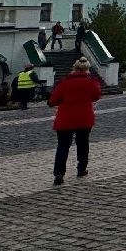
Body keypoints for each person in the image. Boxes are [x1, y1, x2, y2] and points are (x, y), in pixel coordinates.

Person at [49, 58, 102, 186]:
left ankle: (59, 174)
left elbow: (53, 101)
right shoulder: (92, 82)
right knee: (83, 144)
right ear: (87, 69)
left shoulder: (64, 83)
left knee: (63, 146)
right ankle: (81, 169)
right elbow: (96, 96)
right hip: (84, 118)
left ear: (74, 68)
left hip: (65, 119)